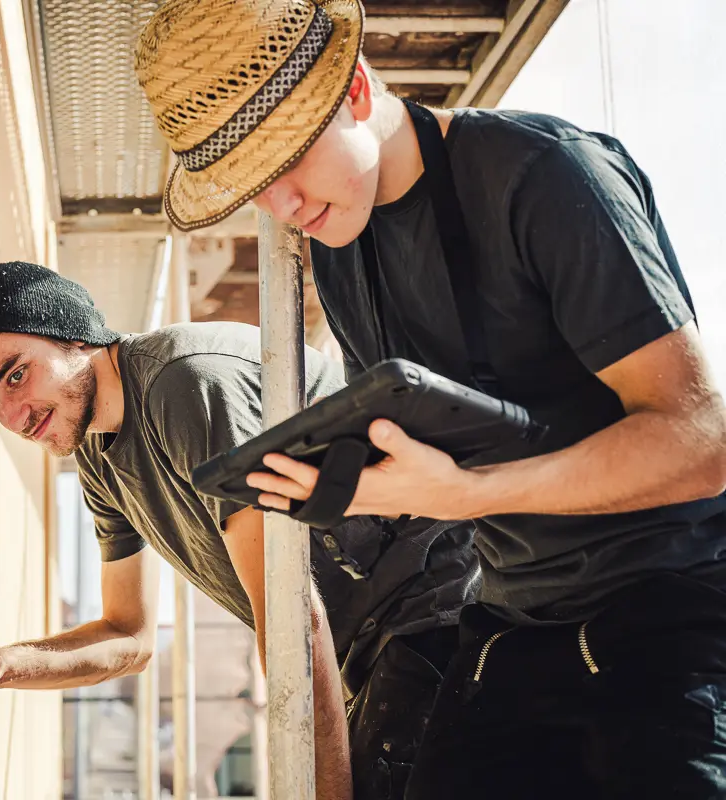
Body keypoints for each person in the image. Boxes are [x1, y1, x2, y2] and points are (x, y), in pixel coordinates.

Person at [134, 0, 726, 797]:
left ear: (354, 91)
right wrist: (351, 480)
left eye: (288, 162)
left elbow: (701, 444)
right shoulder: (340, 251)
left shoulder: (546, 174)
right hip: (513, 618)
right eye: (253, 187)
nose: (282, 209)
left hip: (671, 609)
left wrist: (467, 493)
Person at [0, 261, 478, 799]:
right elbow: (131, 636)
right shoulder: (98, 456)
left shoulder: (185, 383)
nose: (14, 417)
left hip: (440, 613)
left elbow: (291, 611)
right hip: (370, 653)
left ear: (73, 333)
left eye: (15, 376)